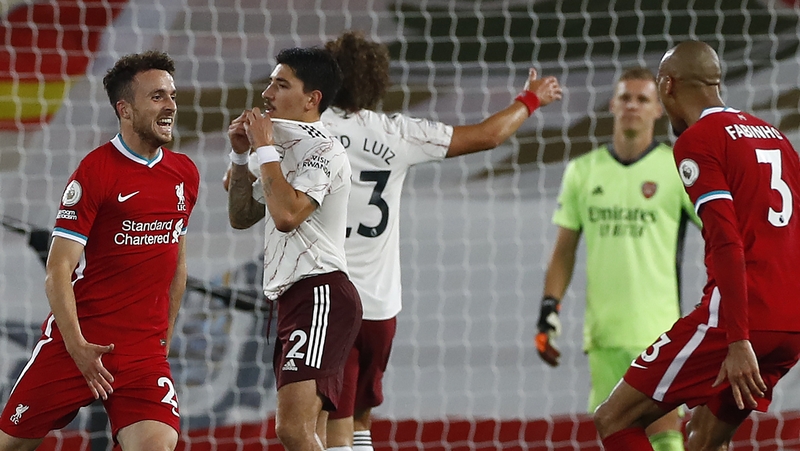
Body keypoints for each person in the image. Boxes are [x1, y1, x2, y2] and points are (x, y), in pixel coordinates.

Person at [319, 31, 562, 451]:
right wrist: (530, 100)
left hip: (329, 303)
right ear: (377, 81)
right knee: (361, 418)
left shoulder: (309, 132)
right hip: (380, 307)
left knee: (330, 424)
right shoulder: (398, 134)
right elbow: (487, 135)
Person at [593, 40, 800, 451]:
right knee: (703, 438)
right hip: (791, 324)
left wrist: (738, 340)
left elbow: (725, 240)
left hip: (740, 322)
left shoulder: (699, 139)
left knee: (615, 418)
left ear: (667, 86)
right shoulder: (775, 136)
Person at [0, 51, 199, 451]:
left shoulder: (184, 173)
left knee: (158, 445)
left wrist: (164, 337)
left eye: (172, 95)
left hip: (143, 355)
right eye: (157, 96)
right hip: (79, 344)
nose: (171, 105)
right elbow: (58, 270)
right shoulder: (95, 171)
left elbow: (176, 262)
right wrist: (77, 348)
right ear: (124, 109)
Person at [535, 67, 699, 451]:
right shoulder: (582, 171)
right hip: (604, 333)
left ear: (658, 110)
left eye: (643, 99)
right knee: (617, 433)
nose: (632, 106)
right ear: (612, 104)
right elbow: (564, 250)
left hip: (658, 330)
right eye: (625, 97)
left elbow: (719, 236)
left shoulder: (676, 168)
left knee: (665, 435)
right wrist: (548, 311)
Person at [226, 46, 362, 451]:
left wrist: (264, 148)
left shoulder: (323, 150)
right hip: (295, 298)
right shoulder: (280, 146)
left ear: (311, 98)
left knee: (292, 429)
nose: (267, 92)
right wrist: (239, 155)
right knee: (311, 433)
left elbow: (287, 215)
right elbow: (242, 215)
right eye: (270, 81)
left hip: (320, 292)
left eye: (281, 84)